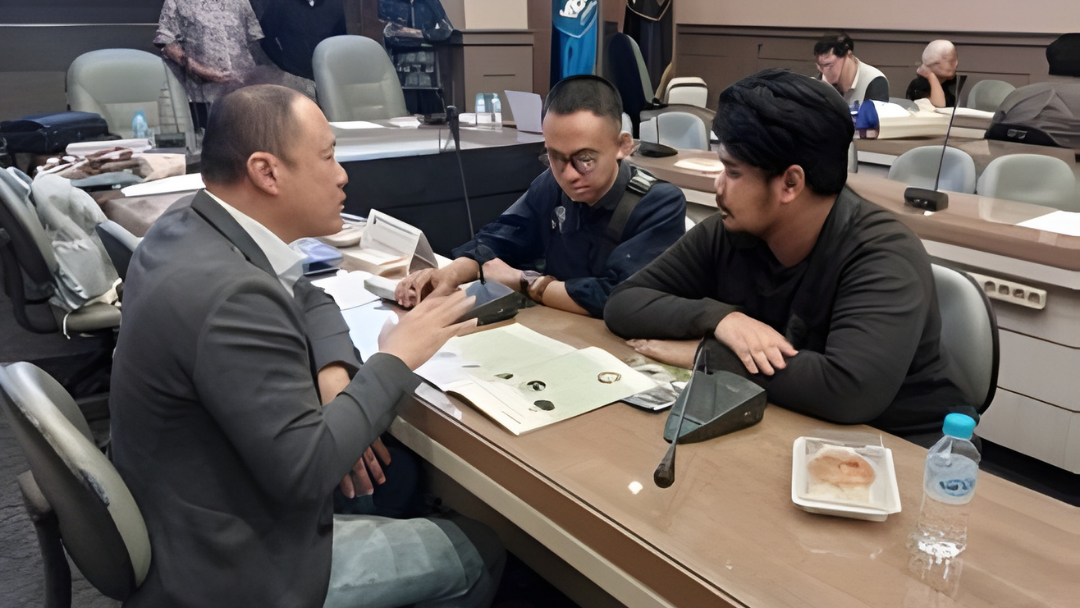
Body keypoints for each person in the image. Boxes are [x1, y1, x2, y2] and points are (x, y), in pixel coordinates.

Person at [109, 84, 503, 608]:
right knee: (480, 551)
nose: (342, 175)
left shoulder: (189, 223)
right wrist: (397, 356)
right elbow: (310, 471)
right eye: (327, 156)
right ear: (266, 172)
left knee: (393, 477)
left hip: (187, 505)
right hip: (232, 566)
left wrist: (335, 373)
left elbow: (306, 292)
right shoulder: (231, 297)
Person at [604, 69, 972, 436]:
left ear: (791, 183)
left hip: (900, 444)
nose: (718, 185)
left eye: (732, 172)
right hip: (783, 417)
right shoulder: (730, 231)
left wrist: (707, 354)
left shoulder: (883, 255)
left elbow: (848, 391)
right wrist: (722, 320)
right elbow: (624, 303)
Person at [394, 75, 686, 318]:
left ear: (623, 145)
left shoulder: (658, 204)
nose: (568, 174)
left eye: (585, 159)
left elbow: (619, 299)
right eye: (554, 156)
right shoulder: (552, 185)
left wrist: (526, 282)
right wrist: (453, 272)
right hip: (558, 325)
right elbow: (502, 237)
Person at [155, 0, 316, 124]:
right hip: (204, 93)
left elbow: (255, 43)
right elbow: (166, 42)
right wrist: (199, 69)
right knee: (213, 143)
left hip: (244, 92)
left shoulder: (241, 1)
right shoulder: (177, 1)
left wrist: (267, 78)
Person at [813, 33, 889, 109]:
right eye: (820, 66)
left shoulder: (874, 80)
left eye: (829, 65)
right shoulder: (818, 81)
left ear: (848, 55)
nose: (824, 72)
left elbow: (874, 116)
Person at [906, 40, 959, 108]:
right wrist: (931, 76)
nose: (956, 64)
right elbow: (938, 105)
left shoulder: (952, 84)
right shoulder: (918, 85)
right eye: (950, 61)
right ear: (934, 62)